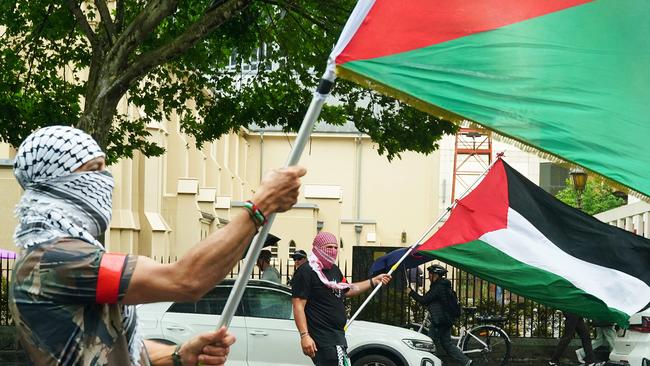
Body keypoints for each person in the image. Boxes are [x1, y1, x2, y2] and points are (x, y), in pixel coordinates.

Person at [8, 126, 305, 365]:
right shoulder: (54, 261)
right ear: (58, 181)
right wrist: (260, 205)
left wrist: (180, 353)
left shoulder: (64, 256)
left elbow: (114, 345)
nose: (105, 180)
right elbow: (185, 280)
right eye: (94, 169)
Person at [291, 232, 391, 366]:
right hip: (322, 338)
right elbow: (298, 306)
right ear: (317, 248)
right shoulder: (306, 271)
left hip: (338, 337)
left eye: (335, 247)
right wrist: (304, 336)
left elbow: (348, 289)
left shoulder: (334, 270)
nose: (333, 251)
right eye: (329, 247)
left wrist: (373, 281)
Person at [409, 264, 471, 366]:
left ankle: (433, 363)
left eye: (430, 274)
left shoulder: (438, 287)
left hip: (440, 321)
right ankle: (468, 362)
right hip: (446, 320)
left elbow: (424, 300)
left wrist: (411, 292)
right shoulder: (443, 285)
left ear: (436, 275)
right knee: (447, 344)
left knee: (430, 343)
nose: (428, 276)